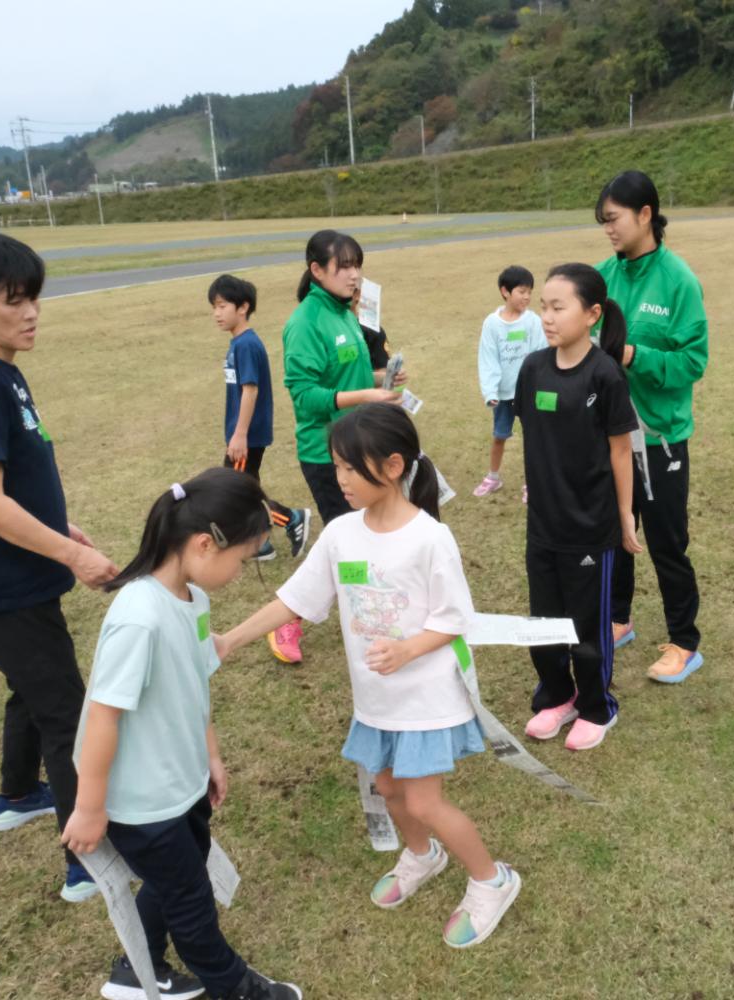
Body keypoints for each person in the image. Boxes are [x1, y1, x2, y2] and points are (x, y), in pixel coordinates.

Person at [218, 404, 521, 949]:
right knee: (387, 788)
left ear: (392, 466)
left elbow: (455, 619)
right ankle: (422, 855)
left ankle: (491, 880)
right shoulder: (340, 535)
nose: (340, 480)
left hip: (426, 696)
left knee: (425, 801)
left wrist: (408, 649)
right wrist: (228, 641)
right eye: (336, 468)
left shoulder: (430, 538)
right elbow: (296, 599)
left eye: (351, 469)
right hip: (377, 700)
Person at [0, 231, 119, 902]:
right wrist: (74, 554)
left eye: (34, 296)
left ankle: (15, 795)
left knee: (30, 689)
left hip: (15, 577)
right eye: (14, 299)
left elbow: (7, 478)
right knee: (68, 710)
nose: (32, 311)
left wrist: (56, 524)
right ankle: (84, 860)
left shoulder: (0, 368)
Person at [62, 469, 302, 1000]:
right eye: (241, 559)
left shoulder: (193, 600)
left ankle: (133, 969)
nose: (240, 571)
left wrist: (209, 757)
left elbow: (196, 680)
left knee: (179, 875)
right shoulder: (139, 618)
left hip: (181, 781)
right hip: (143, 804)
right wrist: (89, 806)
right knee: (193, 909)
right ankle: (236, 990)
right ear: (202, 544)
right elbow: (103, 715)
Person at [515, 264, 640, 751]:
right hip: (544, 525)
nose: (546, 316)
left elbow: (620, 451)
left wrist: (625, 515)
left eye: (557, 306)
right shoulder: (532, 368)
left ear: (591, 315)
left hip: (592, 526)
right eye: (543, 306)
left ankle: (595, 706)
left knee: (588, 625)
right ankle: (558, 695)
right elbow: (537, 439)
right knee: (543, 620)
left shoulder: (605, 374)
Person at [595, 170, 709, 684]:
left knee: (665, 540)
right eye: (603, 222)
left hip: (661, 437)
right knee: (617, 530)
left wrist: (637, 355)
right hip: (610, 435)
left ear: (645, 215)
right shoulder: (602, 277)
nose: (608, 230)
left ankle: (684, 641)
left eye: (614, 219)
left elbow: (693, 362)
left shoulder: (679, 280)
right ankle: (618, 619)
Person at [277, 232, 402, 666]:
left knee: (352, 537)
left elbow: (347, 374)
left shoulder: (344, 313)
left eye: (357, 265)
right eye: (344, 266)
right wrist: (365, 397)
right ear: (317, 270)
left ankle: (369, 615)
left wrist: (380, 383)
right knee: (343, 542)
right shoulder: (306, 322)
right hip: (324, 454)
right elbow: (306, 397)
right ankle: (287, 619)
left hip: (356, 444)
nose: (354, 275)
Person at [210, 274, 311, 564]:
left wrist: (239, 434)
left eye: (222, 306)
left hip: (247, 435)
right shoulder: (238, 343)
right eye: (214, 307)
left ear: (242, 307)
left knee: (236, 491)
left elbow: (250, 390)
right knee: (246, 487)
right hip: (243, 433)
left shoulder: (246, 345)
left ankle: (291, 519)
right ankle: (261, 544)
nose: (216, 313)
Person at [473, 265, 541, 499]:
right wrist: (490, 391)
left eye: (529, 291)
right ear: (505, 291)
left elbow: (541, 354)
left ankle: (533, 482)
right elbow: (488, 357)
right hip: (503, 394)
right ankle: (493, 477)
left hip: (528, 392)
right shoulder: (492, 323)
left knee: (533, 438)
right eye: (521, 291)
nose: (527, 297)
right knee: (499, 435)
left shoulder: (533, 322)